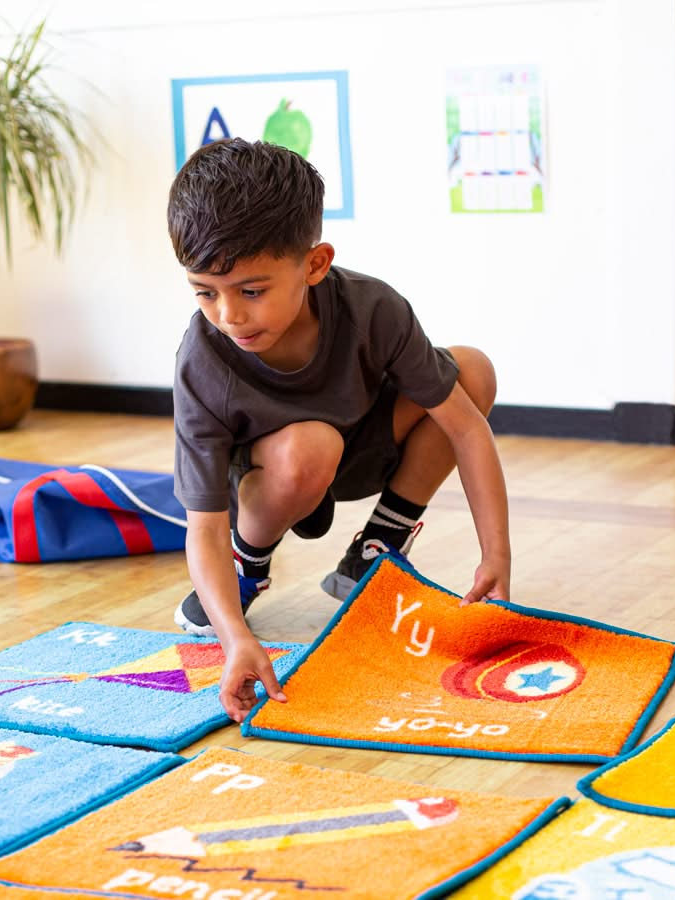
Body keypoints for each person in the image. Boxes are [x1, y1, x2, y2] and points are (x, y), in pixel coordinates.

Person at [167, 138, 511, 723]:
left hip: (361, 447)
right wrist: (234, 640)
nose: (229, 316)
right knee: (308, 445)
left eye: (251, 290)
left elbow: (468, 431)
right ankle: (246, 569)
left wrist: (496, 555)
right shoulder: (202, 362)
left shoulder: (374, 309)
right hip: (275, 478)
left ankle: (373, 553)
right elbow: (202, 524)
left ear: (315, 264)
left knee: (469, 370)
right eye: (205, 292)